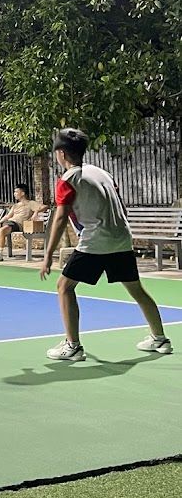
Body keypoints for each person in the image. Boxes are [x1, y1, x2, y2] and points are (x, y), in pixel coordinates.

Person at [40, 127, 172, 362]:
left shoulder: (68, 180)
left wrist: (48, 255)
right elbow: (121, 206)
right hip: (121, 238)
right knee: (137, 290)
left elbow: (60, 218)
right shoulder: (101, 172)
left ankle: (73, 346)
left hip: (95, 241)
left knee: (64, 287)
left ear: (61, 153)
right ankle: (160, 339)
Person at [0, 184, 47, 262]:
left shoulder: (31, 203)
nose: (14, 194)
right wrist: (0, 221)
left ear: (22, 193)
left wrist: (36, 212)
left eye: (16, 192)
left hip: (17, 224)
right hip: (8, 223)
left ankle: (0, 254)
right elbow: (8, 216)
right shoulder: (15, 205)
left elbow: (45, 207)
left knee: (2, 230)